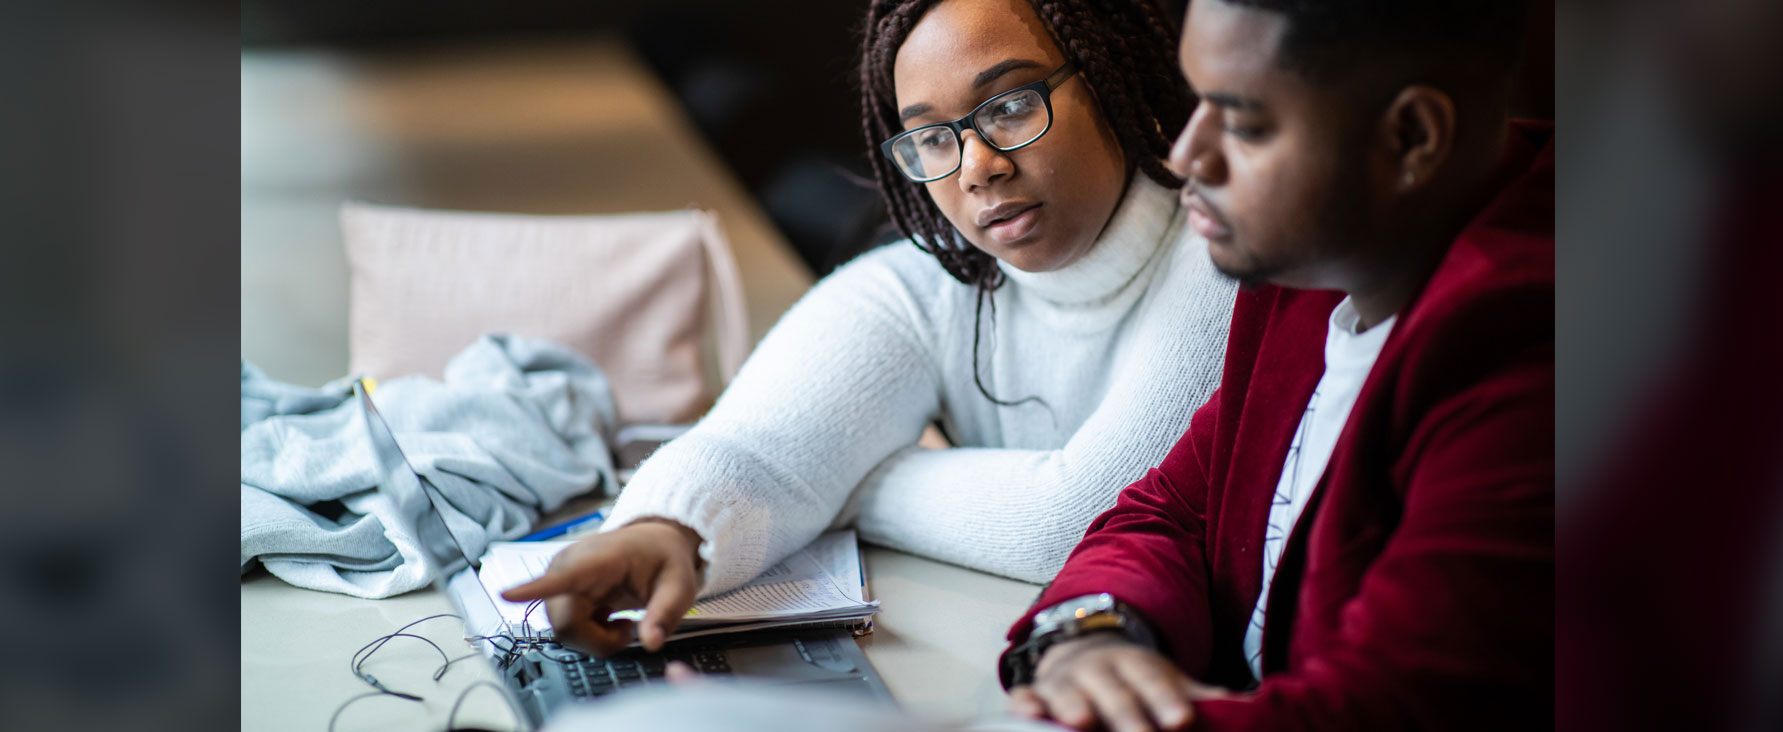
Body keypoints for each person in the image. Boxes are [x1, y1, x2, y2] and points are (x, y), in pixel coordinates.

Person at [504, 0, 1238, 657]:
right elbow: (755, 445)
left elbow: (1079, 516)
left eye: (1011, 106)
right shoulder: (943, 277)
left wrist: (845, 479)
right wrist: (662, 532)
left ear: (1115, 83)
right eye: (933, 139)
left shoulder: (1225, 261)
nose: (977, 168)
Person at [998, 1, 1552, 731]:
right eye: (1197, 102)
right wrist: (1089, 642)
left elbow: (1388, 707)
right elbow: (1174, 511)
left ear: (1413, 137)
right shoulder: (1315, 265)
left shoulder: (1524, 348)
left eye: (1246, 123)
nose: (1186, 156)